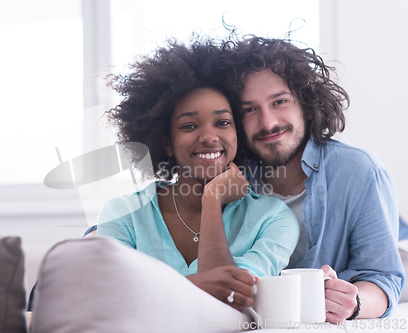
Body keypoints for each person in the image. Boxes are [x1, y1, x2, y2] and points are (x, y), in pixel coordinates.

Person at [93, 37, 300, 312]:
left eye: (223, 123)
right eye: (189, 126)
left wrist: (212, 200)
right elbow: (112, 301)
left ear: (237, 133)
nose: (208, 137)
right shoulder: (123, 214)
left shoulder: (273, 219)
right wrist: (199, 285)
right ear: (166, 142)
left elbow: (231, 303)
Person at [225, 35, 405, 322]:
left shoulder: (360, 171)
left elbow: (384, 278)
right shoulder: (228, 178)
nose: (268, 122)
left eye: (280, 101)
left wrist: (354, 302)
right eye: (249, 109)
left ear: (307, 106)